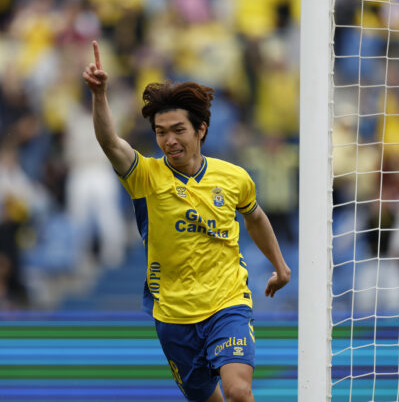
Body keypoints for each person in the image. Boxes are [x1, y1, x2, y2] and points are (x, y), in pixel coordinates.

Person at [82, 41, 291, 402]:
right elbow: (109, 142)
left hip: (227, 303)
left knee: (239, 391)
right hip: (173, 316)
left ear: (201, 130)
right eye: (161, 132)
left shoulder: (234, 178)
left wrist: (281, 266)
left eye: (178, 130)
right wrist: (100, 96)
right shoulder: (145, 176)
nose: (169, 140)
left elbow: (255, 217)